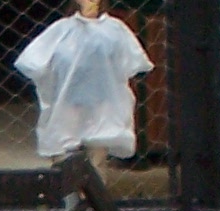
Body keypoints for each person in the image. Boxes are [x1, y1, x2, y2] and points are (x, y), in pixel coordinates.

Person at [14, 0, 152, 165]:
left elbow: (134, 64)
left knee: (97, 156)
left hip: (103, 104)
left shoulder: (115, 30)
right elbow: (31, 62)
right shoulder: (61, 30)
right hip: (68, 104)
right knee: (64, 154)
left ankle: (93, 188)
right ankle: (68, 187)